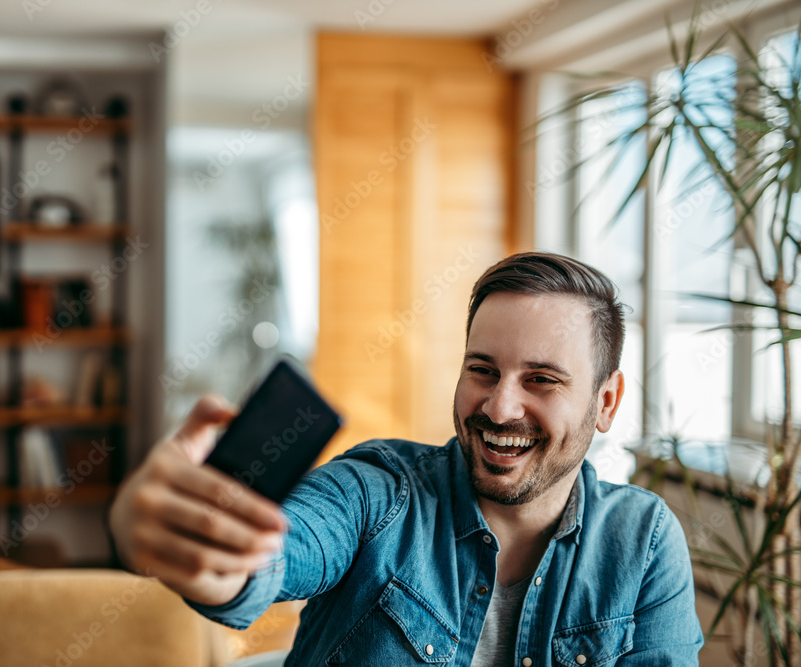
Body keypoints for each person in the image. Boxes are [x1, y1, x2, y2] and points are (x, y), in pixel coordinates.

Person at [109, 251, 703, 666]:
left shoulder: (643, 542)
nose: (499, 408)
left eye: (542, 380)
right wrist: (211, 550)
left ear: (605, 402)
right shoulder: (379, 491)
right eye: (482, 370)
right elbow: (285, 549)